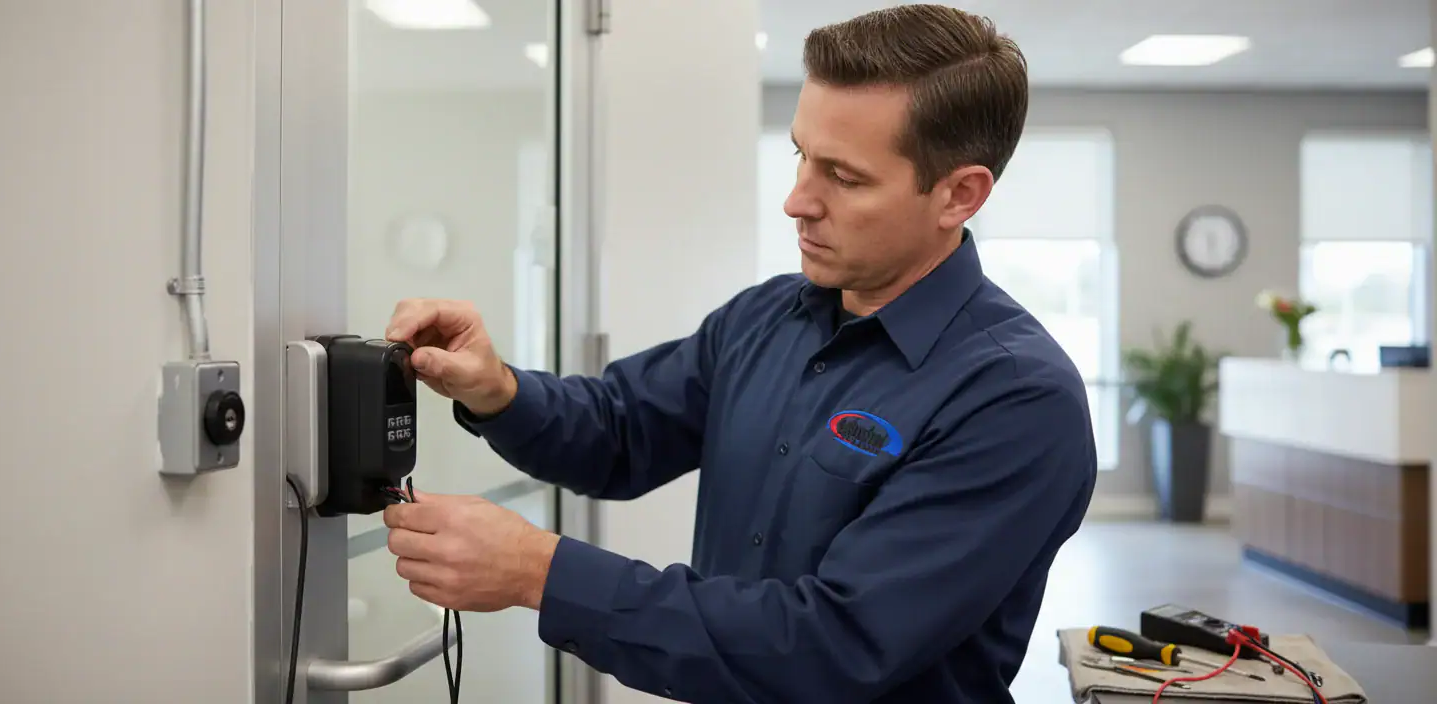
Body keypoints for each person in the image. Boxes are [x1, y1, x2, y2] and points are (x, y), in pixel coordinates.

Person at [380, 4, 1096, 702]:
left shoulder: (1016, 400)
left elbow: (835, 647)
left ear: (958, 195)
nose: (797, 200)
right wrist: (495, 388)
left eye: (843, 177)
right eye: (800, 156)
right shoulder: (767, 317)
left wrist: (539, 571)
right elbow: (621, 429)